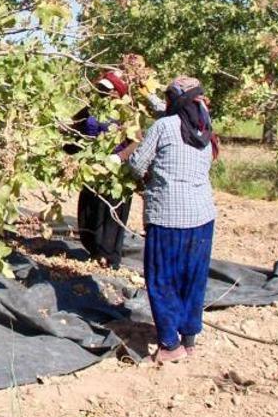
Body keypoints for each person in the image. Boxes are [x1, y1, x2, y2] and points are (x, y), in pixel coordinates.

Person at [119, 75, 220, 363]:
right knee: (193, 277)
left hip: (168, 215)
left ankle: (169, 345)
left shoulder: (163, 127)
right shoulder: (204, 126)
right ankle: (189, 339)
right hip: (202, 215)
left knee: (162, 279)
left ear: (175, 101)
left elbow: (137, 165)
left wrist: (122, 158)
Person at [66, 71, 134, 269]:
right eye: (100, 89)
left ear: (118, 93)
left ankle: (107, 257)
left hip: (116, 173)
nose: (102, 93)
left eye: (107, 90)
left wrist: (119, 157)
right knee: (90, 210)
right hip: (92, 169)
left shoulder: (126, 113)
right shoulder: (91, 108)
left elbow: (136, 141)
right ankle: (93, 250)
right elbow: (74, 126)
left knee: (110, 214)